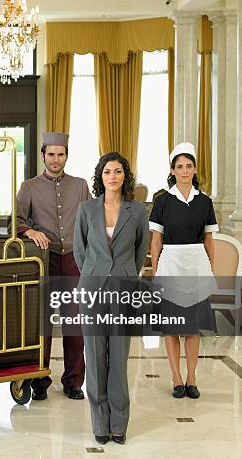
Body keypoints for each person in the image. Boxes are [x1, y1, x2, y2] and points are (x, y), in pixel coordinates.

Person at [73, 152, 149, 446]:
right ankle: (99, 424)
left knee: (118, 359)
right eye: (107, 172)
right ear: (100, 176)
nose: (113, 176)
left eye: (118, 171)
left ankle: (119, 424)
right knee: (94, 358)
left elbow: (141, 249)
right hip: (92, 289)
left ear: (124, 177)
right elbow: (80, 251)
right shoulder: (86, 210)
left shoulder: (137, 211)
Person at [15, 131, 91, 401]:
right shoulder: (29, 187)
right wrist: (29, 231)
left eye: (60, 154)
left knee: (74, 323)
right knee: (42, 324)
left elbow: (91, 221)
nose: (56, 159)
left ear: (66, 156)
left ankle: (73, 381)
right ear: (43, 155)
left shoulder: (81, 186)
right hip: (43, 260)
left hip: (73, 259)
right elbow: (16, 221)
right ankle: (39, 379)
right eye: (51, 154)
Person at [149, 142, 218, 400]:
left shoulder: (205, 202)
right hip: (170, 265)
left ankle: (191, 377)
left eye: (189, 166)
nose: (185, 170)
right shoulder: (162, 201)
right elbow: (156, 240)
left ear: (195, 169)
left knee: (192, 326)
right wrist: (156, 273)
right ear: (172, 170)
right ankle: (176, 377)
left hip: (197, 265)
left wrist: (212, 271)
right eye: (180, 166)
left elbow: (210, 241)